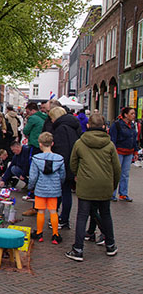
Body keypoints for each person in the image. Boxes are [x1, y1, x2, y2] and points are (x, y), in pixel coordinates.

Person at [65, 113, 120, 261]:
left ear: (88, 126)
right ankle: (110, 245)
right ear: (104, 127)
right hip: (104, 185)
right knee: (106, 214)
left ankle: (78, 249)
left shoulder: (80, 143)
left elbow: (73, 164)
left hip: (86, 184)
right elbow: (116, 168)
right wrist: (113, 186)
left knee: (82, 216)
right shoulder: (109, 145)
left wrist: (79, 176)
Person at [28, 132, 65, 245]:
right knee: (53, 211)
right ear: (52, 143)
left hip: (40, 189)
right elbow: (62, 175)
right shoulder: (59, 159)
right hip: (54, 190)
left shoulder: (36, 159)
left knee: (41, 211)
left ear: (40, 144)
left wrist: (31, 187)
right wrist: (59, 184)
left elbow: (33, 176)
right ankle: (55, 234)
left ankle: (39, 233)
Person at [49, 107, 82, 229]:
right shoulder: (74, 126)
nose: (51, 121)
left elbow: (61, 149)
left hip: (64, 165)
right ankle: (63, 218)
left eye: (51, 118)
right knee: (66, 192)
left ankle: (59, 218)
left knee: (61, 192)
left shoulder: (60, 128)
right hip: (72, 164)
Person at [109, 107, 139, 202]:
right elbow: (113, 139)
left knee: (125, 174)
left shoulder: (132, 125)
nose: (134, 115)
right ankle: (112, 194)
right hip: (119, 151)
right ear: (126, 115)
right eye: (132, 113)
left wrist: (135, 151)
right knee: (116, 173)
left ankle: (123, 194)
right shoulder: (117, 125)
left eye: (134, 113)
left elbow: (133, 139)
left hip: (129, 152)